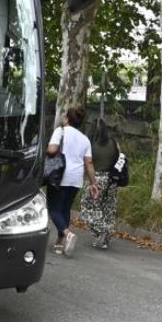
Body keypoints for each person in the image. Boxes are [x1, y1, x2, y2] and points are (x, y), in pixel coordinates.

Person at [46, 107, 97, 255]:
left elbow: (52, 150)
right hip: (76, 178)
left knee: (54, 209)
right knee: (65, 209)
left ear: (67, 119)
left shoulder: (60, 131)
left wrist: (47, 149)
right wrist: (93, 183)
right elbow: (89, 163)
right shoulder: (85, 139)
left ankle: (67, 234)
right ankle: (60, 243)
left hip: (60, 175)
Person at [82, 118, 122, 249]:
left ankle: (100, 231)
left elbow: (88, 163)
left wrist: (92, 181)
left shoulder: (90, 144)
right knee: (108, 208)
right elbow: (120, 158)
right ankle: (105, 239)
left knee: (88, 207)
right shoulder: (114, 143)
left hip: (96, 179)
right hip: (111, 180)